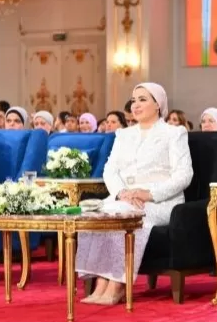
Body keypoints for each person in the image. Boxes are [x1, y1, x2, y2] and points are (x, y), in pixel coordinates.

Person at [76, 83, 193, 305]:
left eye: (142, 99)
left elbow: (184, 175)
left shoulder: (174, 133)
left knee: (123, 214)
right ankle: (101, 283)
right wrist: (121, 192)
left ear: (158, 104)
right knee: (99, 213)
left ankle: (117, 285)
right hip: (125, 198)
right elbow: (110, 170)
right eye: (133, 100)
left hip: (161, 201)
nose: (136, 105)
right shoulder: (123, 135)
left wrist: (149, 193)